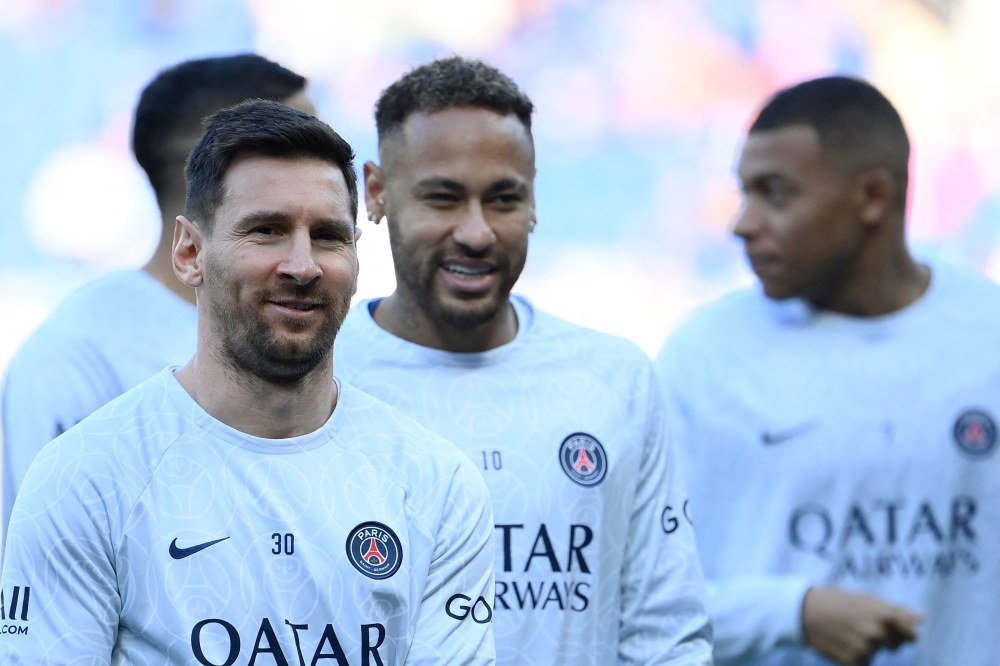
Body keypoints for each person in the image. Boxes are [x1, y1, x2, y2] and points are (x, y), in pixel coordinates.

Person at [0, 100, 496, 665]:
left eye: (329, 236)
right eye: (267, 231)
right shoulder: (86, 477)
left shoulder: (435, 482)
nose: (303, 265)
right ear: (191, 253)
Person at [333, 56, 712, 665]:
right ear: (376, 193)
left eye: (503, 199)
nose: (477, 232)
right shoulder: (321, 381)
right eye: (443, 199)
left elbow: (665, 632)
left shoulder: (612, 379)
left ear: (534, 200)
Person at [654, 76, 1000, 666]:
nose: (742, 223)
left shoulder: (987, 334)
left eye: (776, 194)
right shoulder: (705, 354)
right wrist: (793, 612)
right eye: (744, 192)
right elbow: (640, 603)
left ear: (871, 197)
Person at [1, 54, 316, 541]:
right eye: (306, 148)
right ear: (221, 165)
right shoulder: (76, 358)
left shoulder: (309, 330)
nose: (335, 170)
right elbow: (47, 571)